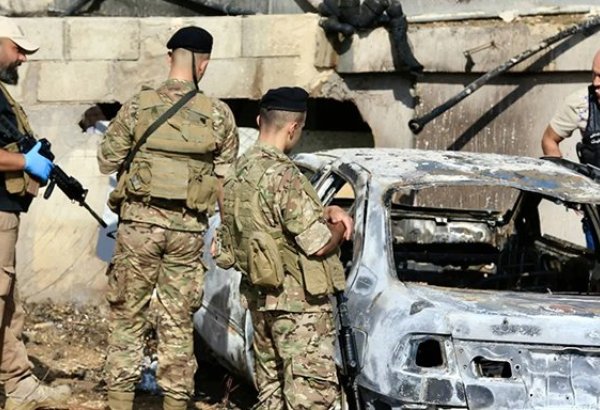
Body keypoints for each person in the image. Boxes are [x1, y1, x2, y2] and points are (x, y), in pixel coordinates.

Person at [97, 26, 238, 410]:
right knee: (177, 322)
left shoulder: (137, 106)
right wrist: (226, 232)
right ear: (203, 64)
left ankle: (120, 402)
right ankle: (176, 403)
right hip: (187, 232)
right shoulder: (219, 115)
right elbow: (225, 182)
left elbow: (107, 160)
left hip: (138, 229)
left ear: (169, 57)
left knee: (128, 318)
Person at [217, 86, 353, 409]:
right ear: (293, 128)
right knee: (312, 398)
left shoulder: (236, 172)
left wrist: (323, 210)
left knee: (272, 394)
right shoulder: (284, 175)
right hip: (297, 309)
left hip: (260, 302)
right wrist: (341, 223)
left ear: (259, 121)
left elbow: (263, 221)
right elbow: (319, 245)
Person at [0, 16, 72, 410]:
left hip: (6, 209)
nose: (23, 58)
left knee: (8, 305)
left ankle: (20, 386)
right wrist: (23, 162)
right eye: (18, 49)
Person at [541, 49, 600, 248]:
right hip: (597, 217)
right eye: (594, 74)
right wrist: (567, 190)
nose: (596, 83)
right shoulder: (581, 104)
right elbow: (549, 140)